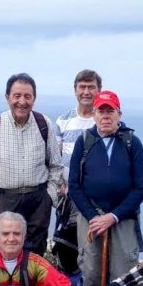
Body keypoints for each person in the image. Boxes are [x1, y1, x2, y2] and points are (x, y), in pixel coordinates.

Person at [67, 90, 143, 286]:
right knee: (91, 271)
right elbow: (74, 185)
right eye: (100, 111)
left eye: (110, 111)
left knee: (123, 273)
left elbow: (141, 187)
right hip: (90, 217)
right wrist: (93, 216)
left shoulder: (132, 142)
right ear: (93, 114)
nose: (105, 116)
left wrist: (113, 216)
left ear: (119, 113)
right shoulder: (84, 142)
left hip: (123, 218)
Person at [0, 73, 62, 253]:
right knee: (1, 253)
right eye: (17, 96)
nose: (22, 101)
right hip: (2, 201)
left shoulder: (44, 124)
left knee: (34, 256)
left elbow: (55, 165)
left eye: (27, 96)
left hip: (37, 201)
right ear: (7, 98)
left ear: (34, 99)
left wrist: (49, 197)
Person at [52, 70, 100, 271]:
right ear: (75, 90)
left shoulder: (103, 120)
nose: (86, 92)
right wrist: (61, 187)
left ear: (99, 90)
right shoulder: (63, 121)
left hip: (95, 199)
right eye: (82, 87)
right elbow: (54, 159)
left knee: (93, 250)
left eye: (91, 87)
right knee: (68, 250)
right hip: (69, 199)